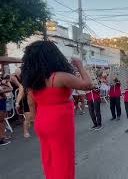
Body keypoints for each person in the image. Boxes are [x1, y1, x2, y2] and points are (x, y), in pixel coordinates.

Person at [21, 41, 93, 179]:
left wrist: (36, 121)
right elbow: (88, 84)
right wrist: (79, 65)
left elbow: (31, 102)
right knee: (63, 159)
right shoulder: (59, 77)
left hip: (42, 121)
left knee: (48, 157)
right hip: (58, 123)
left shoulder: (33, 79)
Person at [11, 68, 33, 138]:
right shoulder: (23, 84)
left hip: (35, 101)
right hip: (27, 102)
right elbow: (20, 94)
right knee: (28, 118)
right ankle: (25, 131)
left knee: (36, 116)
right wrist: (17, 103)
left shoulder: (34, 82)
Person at [0, 78, 13, 146]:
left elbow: (10, 88)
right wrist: (3, 90)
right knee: (1, 120)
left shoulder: (1, 81)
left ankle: (3, 136)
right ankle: (1, 138)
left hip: (2, 101)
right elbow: (9, 89)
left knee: (2, 120)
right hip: (0, 101)